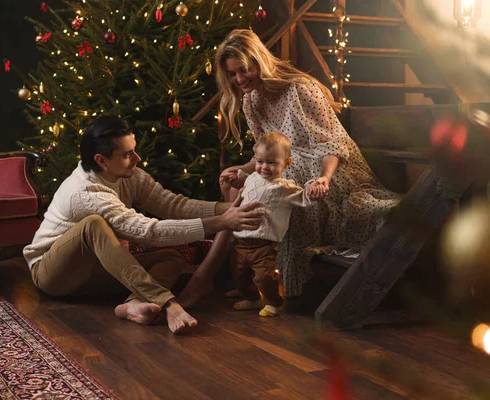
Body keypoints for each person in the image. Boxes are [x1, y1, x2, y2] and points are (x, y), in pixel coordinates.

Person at [177, 29, 400, 307]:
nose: (239, 79)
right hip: (285, 168)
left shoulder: (300, 90)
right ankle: (250, 276)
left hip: (331, 170)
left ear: (259, 61)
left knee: (262, 190)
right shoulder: (250, 100)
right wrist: (242, 170)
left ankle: (211, 276)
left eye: (244, 70)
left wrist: (324, 179)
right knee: (233, 182)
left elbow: (333, 145)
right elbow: (265, 155)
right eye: (232, 74)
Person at [23, 116, 265, 334]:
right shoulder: (85, 192)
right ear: (101, 160)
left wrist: (228, 208)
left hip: (98, 272)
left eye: (134, 151)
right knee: (93, 224)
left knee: (170, 258)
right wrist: (221, 222)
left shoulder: (129, 174)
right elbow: (147, 231)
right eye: (127, 154)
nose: (137, 159)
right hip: (54, 274)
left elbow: (173, 206)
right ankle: (168, 303)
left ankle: (131, 305)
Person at [228, 131, 314, 317]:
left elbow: (303, 198)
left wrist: (312, 190)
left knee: (265, 276)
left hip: (263, 244)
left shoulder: (284, 187)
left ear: (287, 163)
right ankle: (253, 299)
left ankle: (273, 302)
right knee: (238, 274)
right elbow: (247, 185)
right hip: (240, 240)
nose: (264, 167)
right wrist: (237, 179)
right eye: (260, 162)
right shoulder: (252, 178)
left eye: (272, 163)